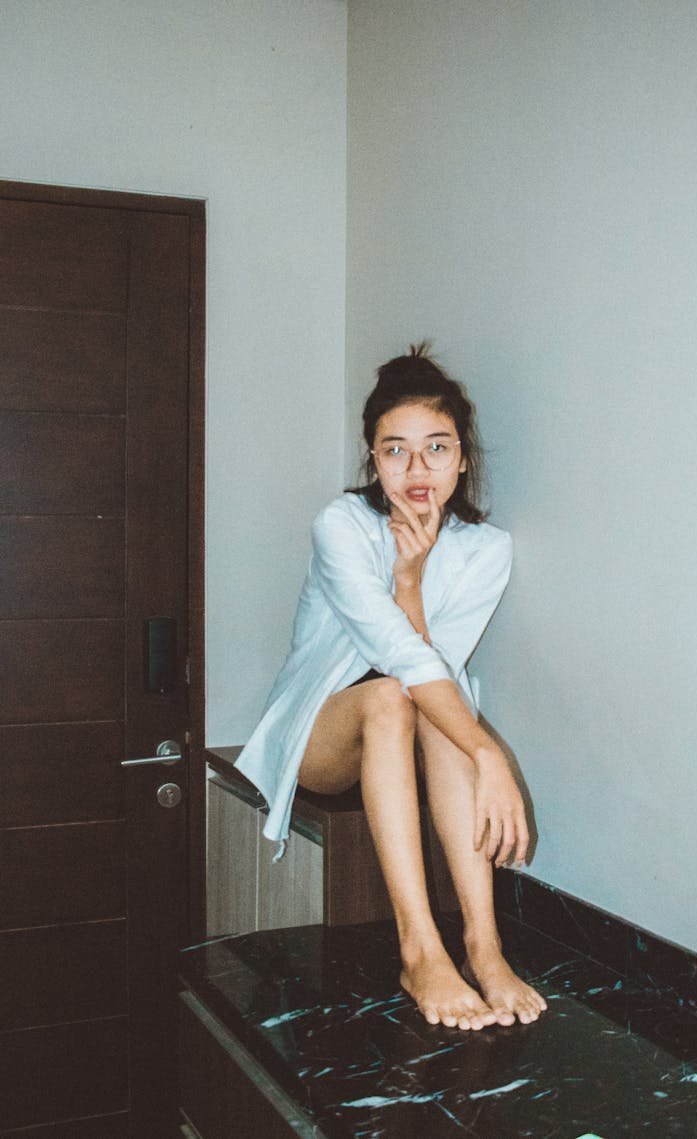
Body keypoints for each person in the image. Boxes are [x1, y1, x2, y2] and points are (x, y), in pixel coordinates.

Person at [236, 344, 547, 1031]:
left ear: (463, 457)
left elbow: (433, 668)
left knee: (431, 705)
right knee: (389, 696)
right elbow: (398, 660)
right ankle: (419, 949)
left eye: (436, 448)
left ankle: (485, 948)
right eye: (394, 450)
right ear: (372, 459)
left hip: (415, 728)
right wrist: (489, 754)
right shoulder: (342, 527)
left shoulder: (485, 549)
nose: (416, 469)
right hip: (325, 729)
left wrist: (413, 584)